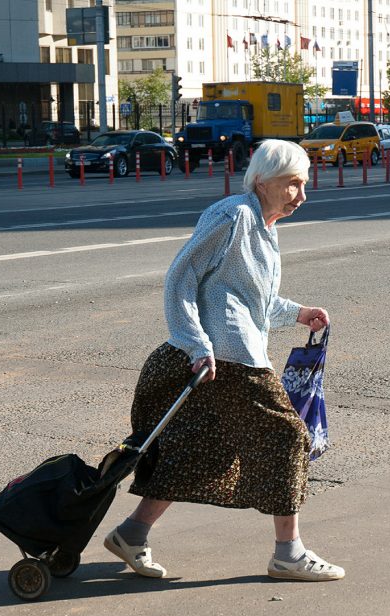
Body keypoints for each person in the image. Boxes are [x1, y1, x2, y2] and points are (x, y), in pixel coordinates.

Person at [103, 139, 345, 582]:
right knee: (289, 436)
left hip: (221, 360)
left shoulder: (266, 228)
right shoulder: (233, 216)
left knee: (202, 449)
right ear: (263, 180)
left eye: (304, 185)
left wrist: (298, 314)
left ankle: (132, 533)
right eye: (292, 185)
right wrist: (196, 344)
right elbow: (180, 278)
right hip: (224, 358)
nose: (302, 196)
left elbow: (256, 300)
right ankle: (288, 553)